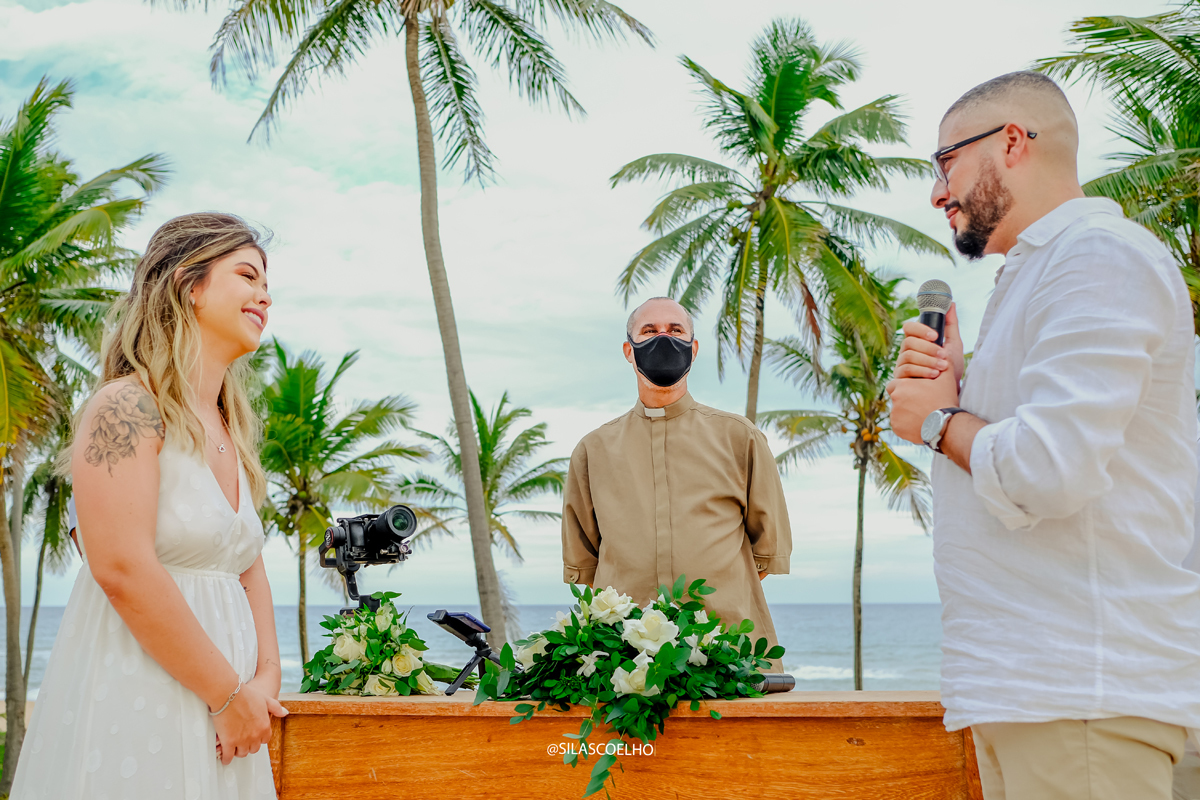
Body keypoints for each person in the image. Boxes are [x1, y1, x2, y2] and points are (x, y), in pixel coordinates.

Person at [886, 71, 1200, 800]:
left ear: (1013, 142)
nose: (938, 193)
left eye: (945, 163)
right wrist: (958, 389)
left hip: (1077, 695)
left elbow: (1049, 470)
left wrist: (935, 422)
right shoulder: (1051, 270)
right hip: (1039, 693)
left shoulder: (1096, 256)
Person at [11, 213, 287, 799]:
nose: (265, 294)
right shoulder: (126, 406)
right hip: (142, 691)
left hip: (230, 713)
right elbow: (121, 567)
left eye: (268, 283)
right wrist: (229, 696)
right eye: (247, 275)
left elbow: (248, 563)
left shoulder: (229, 429)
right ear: (190, 284)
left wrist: (265, 677)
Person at [561, 296, 791, 668]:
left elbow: (764, 557)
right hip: (621, 659)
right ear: (628, 350)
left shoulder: (740, 438)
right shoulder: (593, 450)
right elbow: (586, 565)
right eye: (649, 331)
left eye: (675, 330)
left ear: (693, 347)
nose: (662, 340)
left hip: (728, 650)